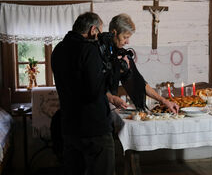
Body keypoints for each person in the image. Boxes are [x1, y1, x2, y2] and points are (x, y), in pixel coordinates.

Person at [51, 12, 115, 175]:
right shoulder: (89, 50)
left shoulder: (58, 49)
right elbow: (94, 91)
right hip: (93, 127)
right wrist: (109, 72)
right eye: (99, 32)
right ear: (93, 30)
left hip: (69, 125)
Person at [107, 13, 179, 113]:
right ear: (114, 33)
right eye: (125, 37)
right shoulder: (97, 53)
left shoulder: (123, 55)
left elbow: (140, 83)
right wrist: (112, 99)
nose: (127, 42)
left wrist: (164, 101)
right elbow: (95, 86)